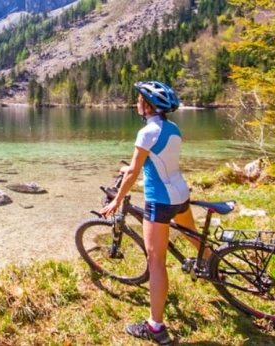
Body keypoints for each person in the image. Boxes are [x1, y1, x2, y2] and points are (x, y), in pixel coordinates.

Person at [99, 81, 200, 345]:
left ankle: (155, 327)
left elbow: (134, 170)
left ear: (147, 105)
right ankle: (214, 266)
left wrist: (116, 201)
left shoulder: (146, 132)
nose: (136, 103)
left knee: (156, 263)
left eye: (138, 100)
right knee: (192, 235)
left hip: (160, 201)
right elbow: (158, 161)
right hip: (180, 193)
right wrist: (130, 170)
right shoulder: (173, 128)